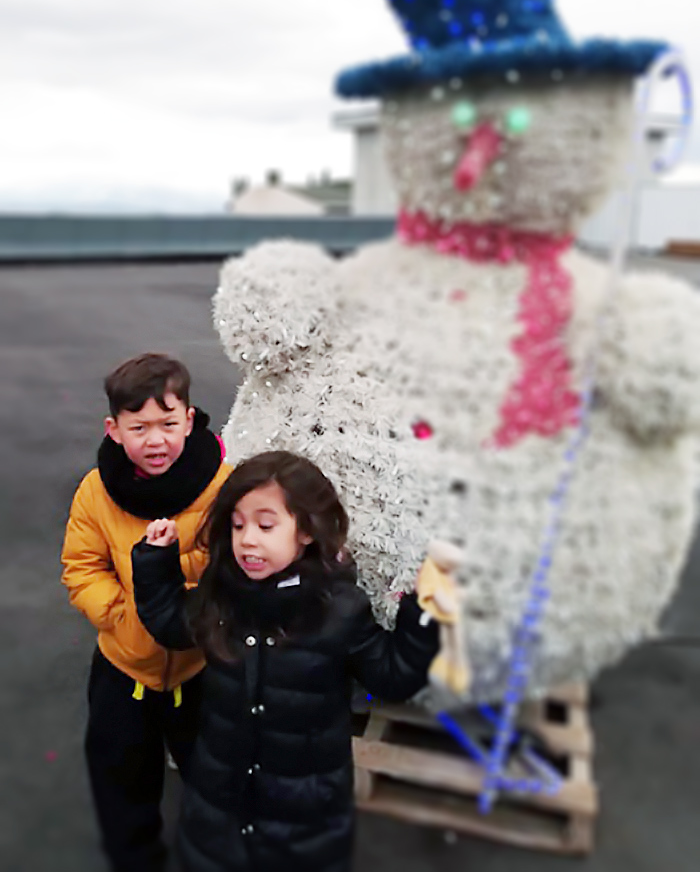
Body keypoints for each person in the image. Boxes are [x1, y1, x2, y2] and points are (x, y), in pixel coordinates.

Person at [131, 450, 439, 872]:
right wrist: (155, 561)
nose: (247, 540)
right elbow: (171, 625)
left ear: (307, 530)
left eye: (266, 525)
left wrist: (422, 616)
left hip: (305, 820)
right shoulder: (222, 597)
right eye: (237, 525)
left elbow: (391, 676)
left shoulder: (337, 609)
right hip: (219, 814)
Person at [61, 352, 231, 872]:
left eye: (168, 424)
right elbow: (82, 567)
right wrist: (121, 615)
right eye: (139, 428)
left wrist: (188, 593)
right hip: (124, 669)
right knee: (122, 780)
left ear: (190, 419)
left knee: (216, 780)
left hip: (200, 668)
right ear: (113, 430)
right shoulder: (97, 491)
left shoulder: (221, 487)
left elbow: (234, 564)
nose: (155, 440)